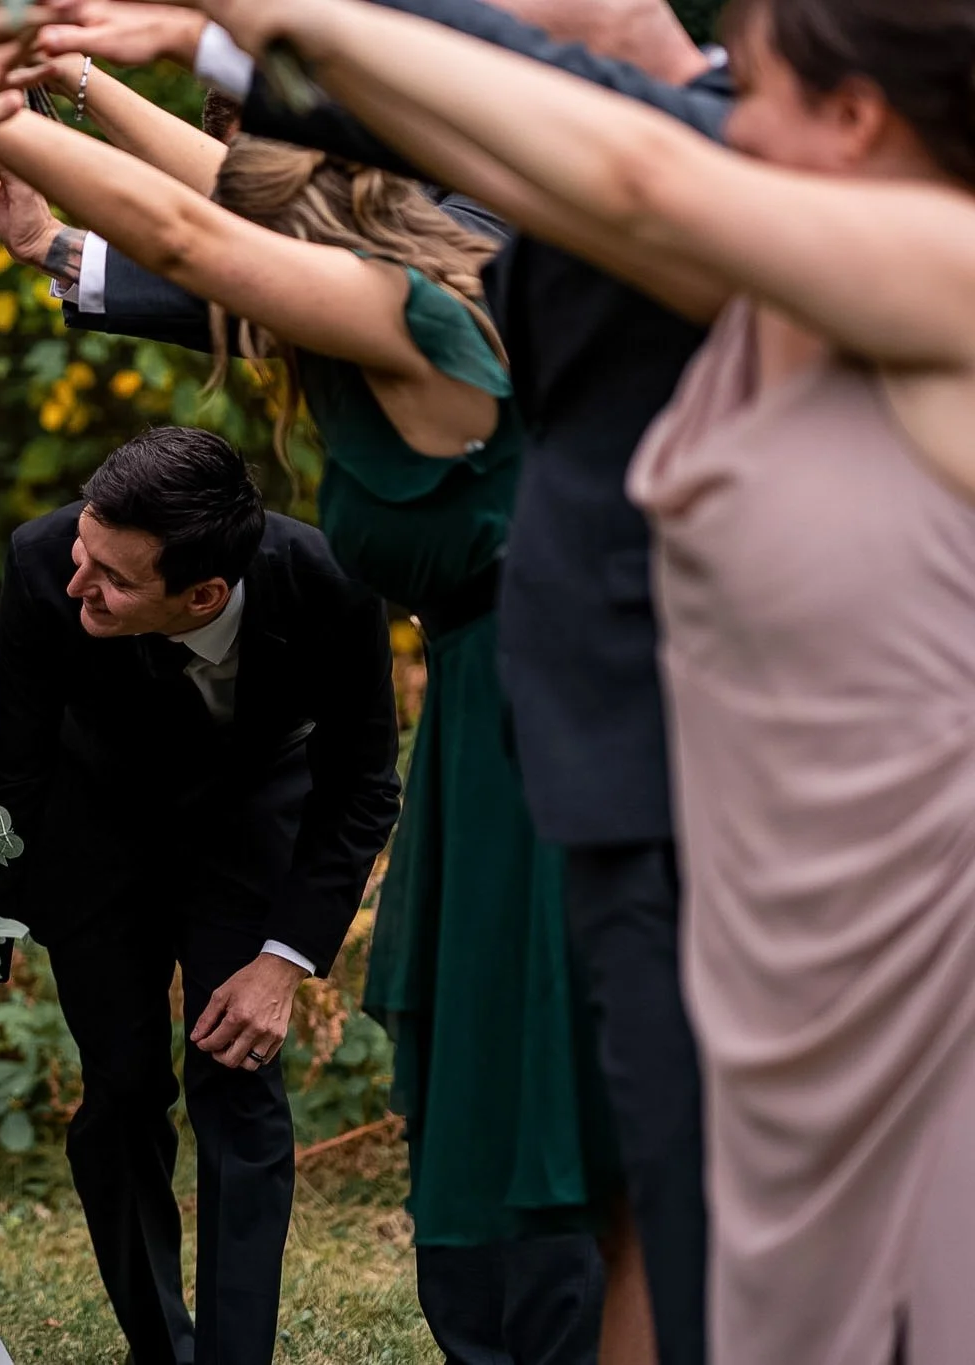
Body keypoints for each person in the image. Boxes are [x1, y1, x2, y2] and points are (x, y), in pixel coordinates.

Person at [179, 6, 975, 1364]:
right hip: (762, 894)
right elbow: (556, 141)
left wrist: (294, 12)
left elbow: (629, 160)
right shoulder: (772, 284)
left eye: (749, 90)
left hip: (903, 908)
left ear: (856, 122)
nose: (717, 110)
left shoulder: (942, 266)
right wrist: (242, 37)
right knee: (727, 1270)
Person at [30, 3, 727, 1360]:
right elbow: (212, 205)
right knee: (598, 1149)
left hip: (551, 719)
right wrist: (79, 79)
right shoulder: (413, 297)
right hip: (519, 708)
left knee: (588, 1144)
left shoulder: (415, 318)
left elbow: (192, 232)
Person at [0, 428, 400, 1365]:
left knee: (237, 1083)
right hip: (93, 828)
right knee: (120, 1088)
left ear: (204, 594)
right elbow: (10, 773)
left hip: (246, 826)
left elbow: (362, 787)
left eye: (112, 578)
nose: (81, 585)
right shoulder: (43, 559)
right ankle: (163, 1347)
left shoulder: (330, 582)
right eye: (85, 551)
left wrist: (285, 960)